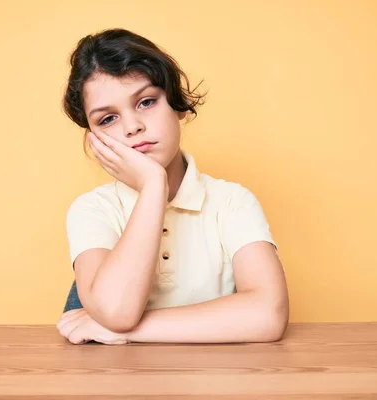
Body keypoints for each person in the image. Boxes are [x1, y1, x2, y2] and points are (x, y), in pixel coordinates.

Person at [56, 28, 288, 345]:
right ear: (93, 138)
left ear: (177, 104)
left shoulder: (232, 202)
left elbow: (267, 316)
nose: (132, 127)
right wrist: (153, 185)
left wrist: (126, 332)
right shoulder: (93, 209)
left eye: (147, 102)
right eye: (107, 119)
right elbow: (116, 312)